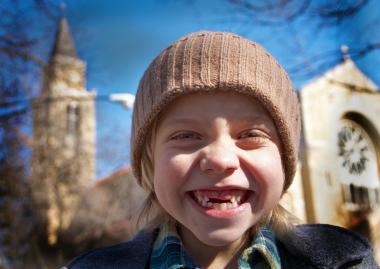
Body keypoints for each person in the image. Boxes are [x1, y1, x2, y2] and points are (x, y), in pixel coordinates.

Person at [66, 31, 379, 269]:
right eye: (186, 135)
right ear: (149, 164)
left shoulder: (347, 262)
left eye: (250, 135)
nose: (220, 159)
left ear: (284, 161)